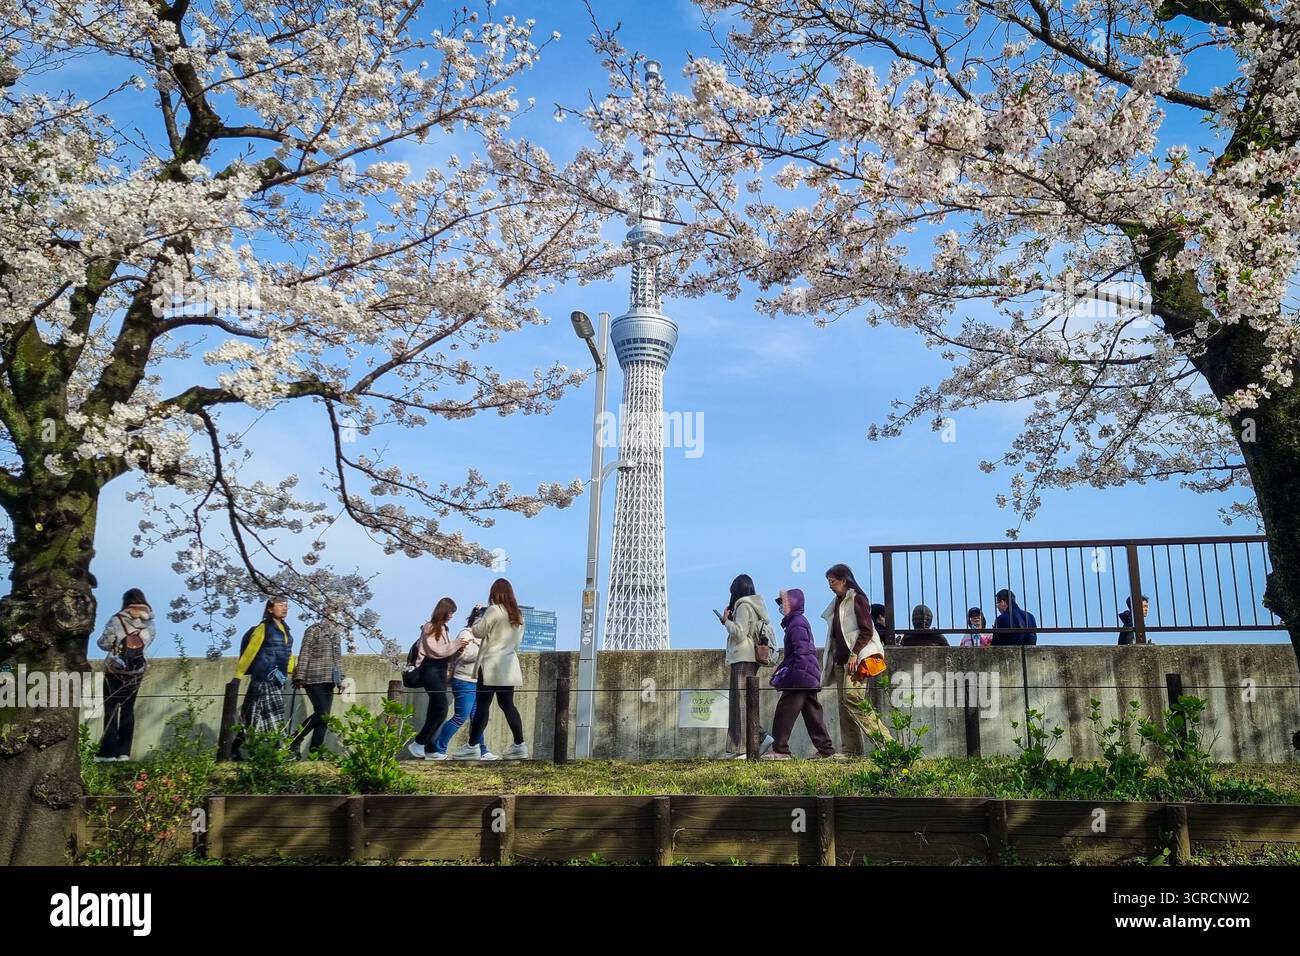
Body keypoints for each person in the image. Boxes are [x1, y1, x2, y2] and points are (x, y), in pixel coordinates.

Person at [821, 563, 892, 755]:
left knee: (854, 699)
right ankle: (850, 749)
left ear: (844, 581)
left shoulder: (857, 599)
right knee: (844, 705)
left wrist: (855, 653)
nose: (830, 585)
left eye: (832, 581)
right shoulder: (838, 601)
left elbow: (867, 630)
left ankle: (887, 743)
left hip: (855, 659)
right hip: (841, 659)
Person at [761, 588, 837, 760]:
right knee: (813, 714)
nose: (781, 607)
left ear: (793, 603)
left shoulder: (796, 623)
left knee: (784, 713)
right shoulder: (797, 621)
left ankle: (780, 750)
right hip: (807, 675)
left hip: (800, 676)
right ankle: (826, 750)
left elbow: (800, 652)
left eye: (784, 603)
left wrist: (794, 676)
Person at [465, 578, 528, 761]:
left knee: (483, 706)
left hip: (491, 665)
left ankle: (472, 746)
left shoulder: (494, 610)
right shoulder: (518, 614)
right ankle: (519, 744)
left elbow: (478, 631)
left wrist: (477, 615)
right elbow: (517, 642)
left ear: (495, 593)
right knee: (507, 705)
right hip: (508, 666)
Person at [95, 588, 155, 762]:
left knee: (111, 709)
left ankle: (107, 753)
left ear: (126, 602)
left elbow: (104, 644)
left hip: (115, 669)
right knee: (128, 711)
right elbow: (147, 642)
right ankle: (124, 753)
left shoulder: (117, 619)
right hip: (136, 671)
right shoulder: (150, 623)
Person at [720, 574, 776, 759]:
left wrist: (726, 621)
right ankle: (757, 739)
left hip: (743, 659)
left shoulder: (743, 606)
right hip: (749, 658)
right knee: (745, 703)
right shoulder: (755, 605)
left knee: (740, 704)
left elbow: (740, 633)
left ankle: (746, 747)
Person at [234, 595, 296, 755]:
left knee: (251, 715)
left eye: (286, 606)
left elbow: (288, 655)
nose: (284, 608)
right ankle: (281, 750)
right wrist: (238, 675)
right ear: (270, 609)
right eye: (280, 605)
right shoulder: (263, 628)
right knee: (276, 711)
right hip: (263, 677)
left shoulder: (287, 631)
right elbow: (250, 652)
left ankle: (234, 748)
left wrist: (294, 672)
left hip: (277, 679)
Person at [407, 597, 464, 760]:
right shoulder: (429, 627)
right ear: (444, 611)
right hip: (429, 671)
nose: (452, 616)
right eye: (451, 612)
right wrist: (457, 644)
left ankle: (430, 749)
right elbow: (436, 651)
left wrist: (458, 648)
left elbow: (446, 653)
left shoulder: (444, 629)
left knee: (434, 710)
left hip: (439, 672)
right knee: (441, 707)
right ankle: (419, 742)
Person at [291, 605, 346, 758]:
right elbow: (305, 652)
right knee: (321, 713)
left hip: (329, 679)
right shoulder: (313, 630)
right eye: (332, 611)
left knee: (324, 717)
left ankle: (315, 753)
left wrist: (340, 680)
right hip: (312, 678)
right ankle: (296, 737)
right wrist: (299, 676)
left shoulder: (336, 634)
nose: (335, 615)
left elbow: (337, 659)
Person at [435, 605, 487, 760]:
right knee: (460, 717)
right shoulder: (466, 633)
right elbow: (462, 656)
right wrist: (483, 651)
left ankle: (482, 750)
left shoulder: (486, 637)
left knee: (477, 717)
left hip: (477, 682)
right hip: (464, 680)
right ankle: (438, 749)